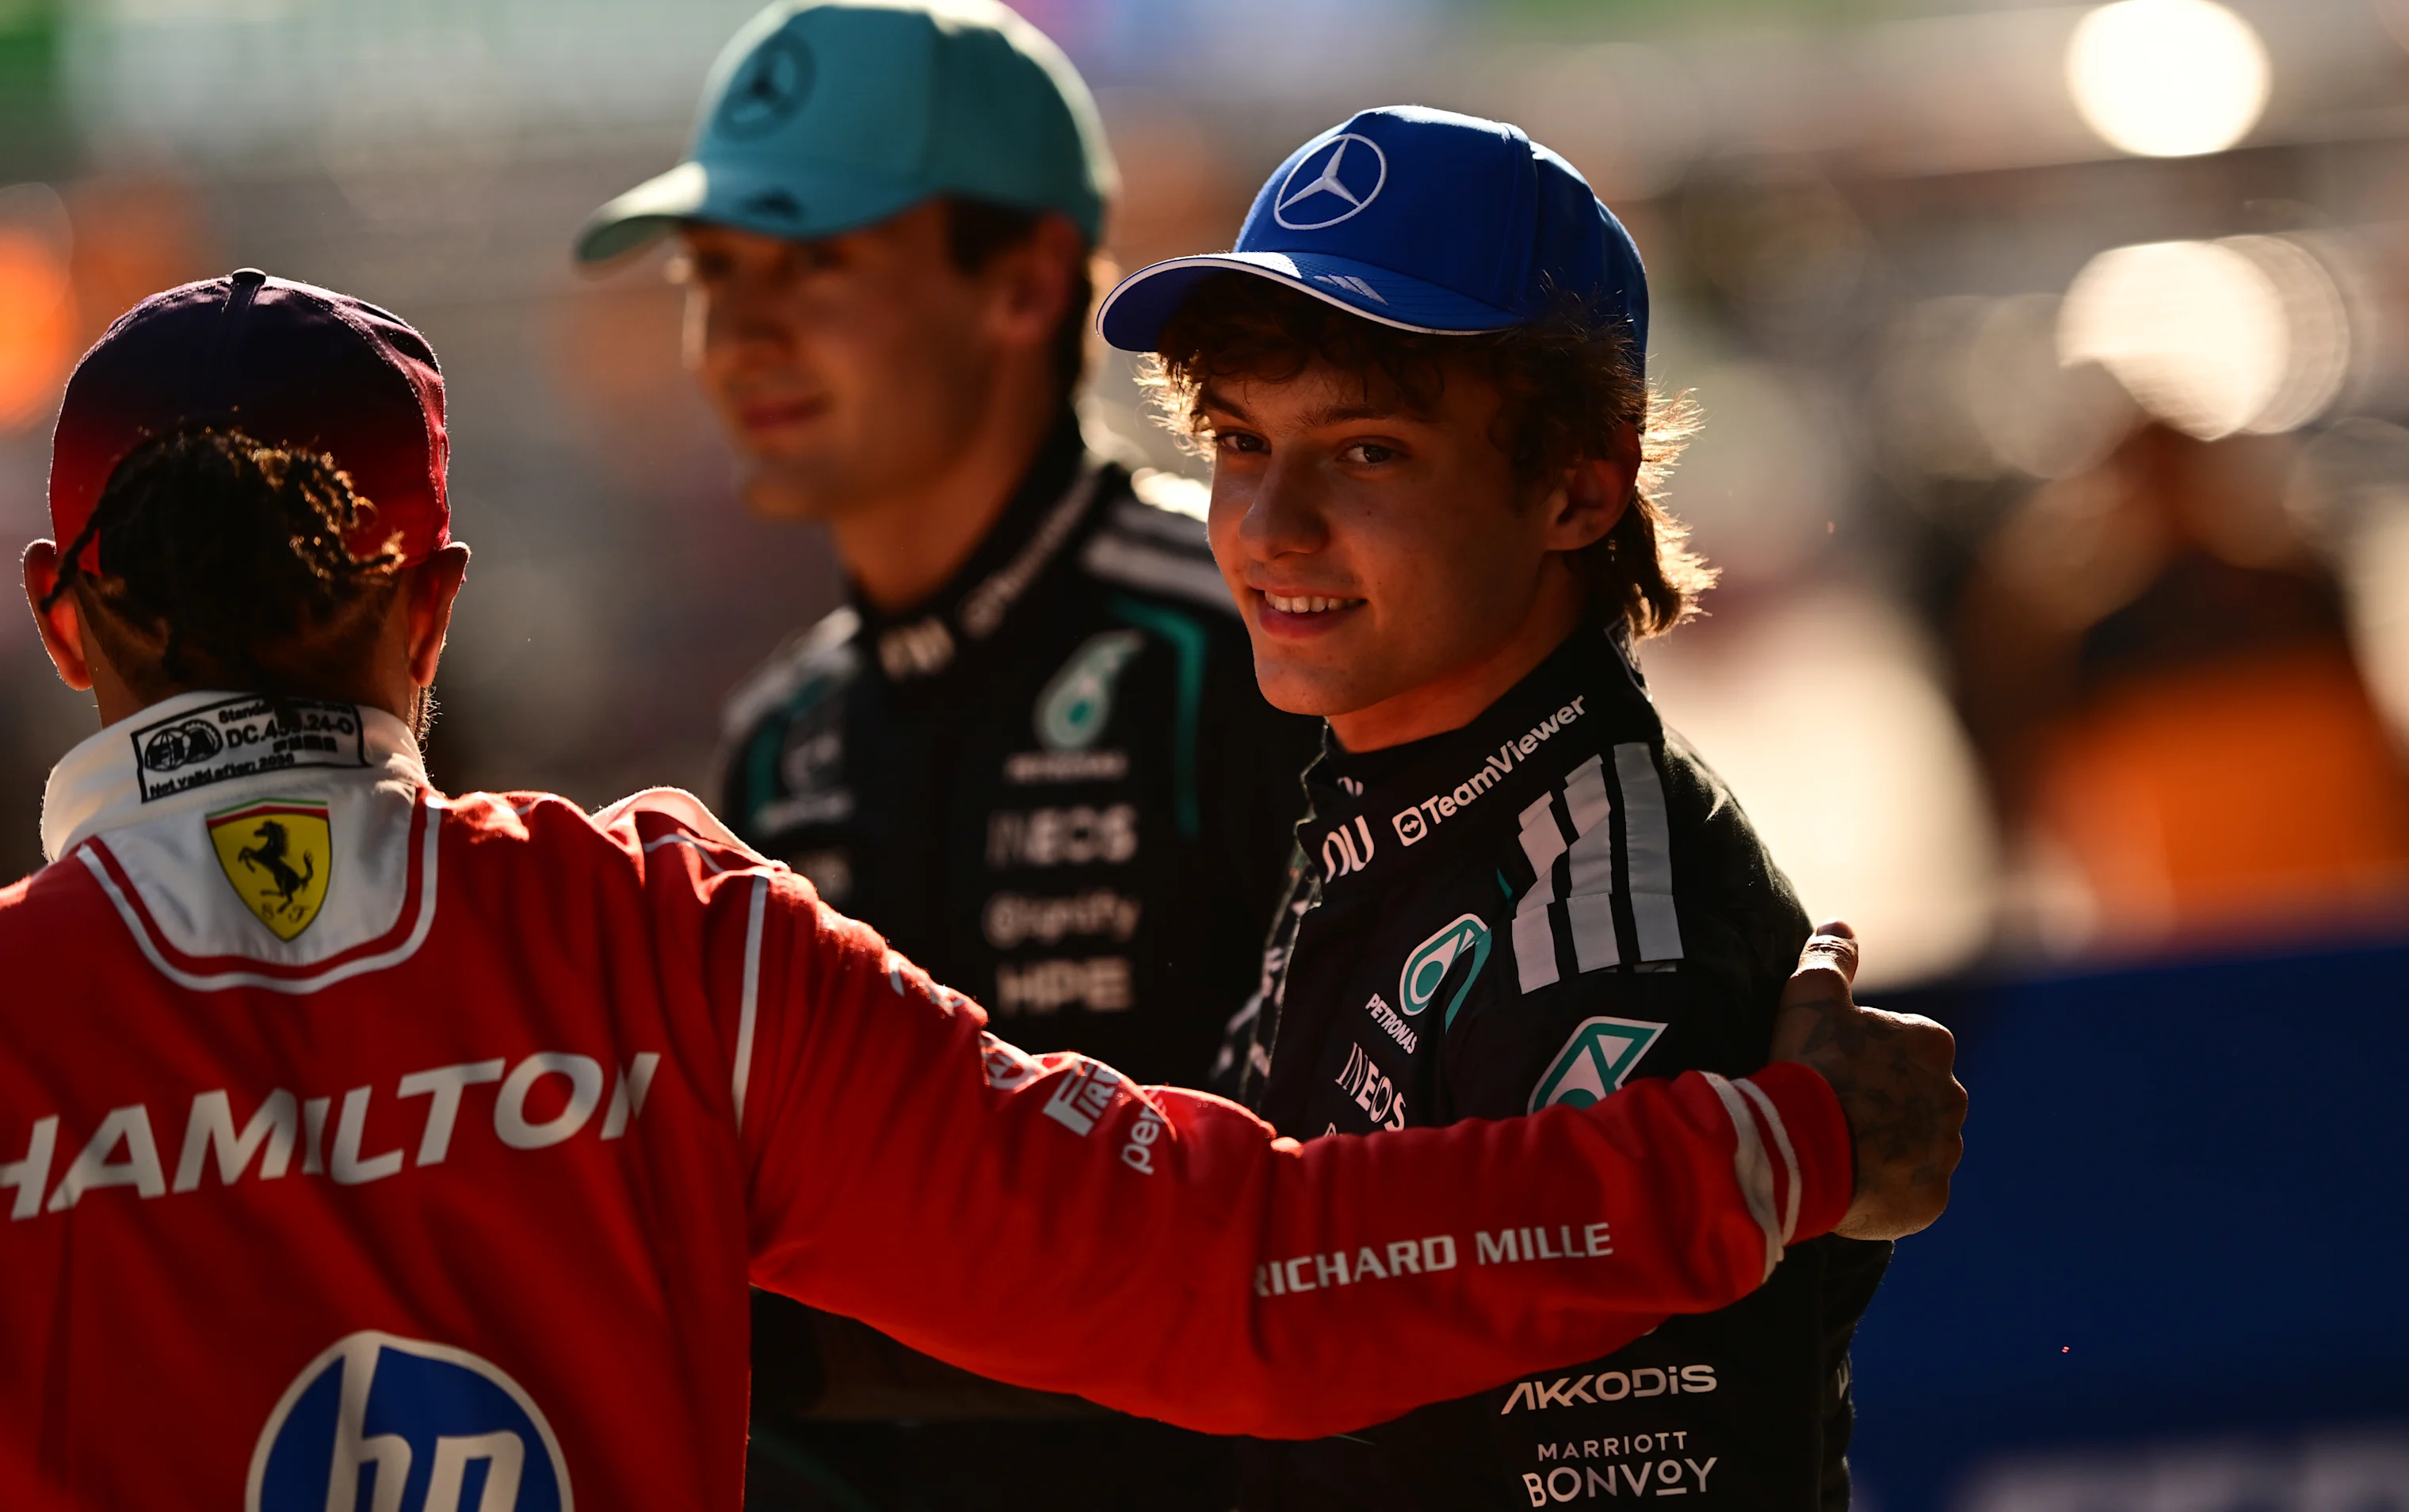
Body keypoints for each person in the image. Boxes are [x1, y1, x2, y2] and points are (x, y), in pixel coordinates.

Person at [2, 271, 1960, 1507]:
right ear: (433, 607)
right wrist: (1774, 1150)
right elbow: (1242, 1283)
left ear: (61, 620)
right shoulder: (662, 943)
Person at [1097, 107, 1903, 1510]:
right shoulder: (1402, 803)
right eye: (1239, 440)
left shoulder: (1598, 923)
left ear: (1580, 487)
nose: (1270, 526)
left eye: (1368, 452)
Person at [571, 2, 1319, 1501]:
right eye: (712, 274)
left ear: (1026, 282)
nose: (743, 333)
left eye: (813, 262)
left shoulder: (1263, 645)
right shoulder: (784, 739)